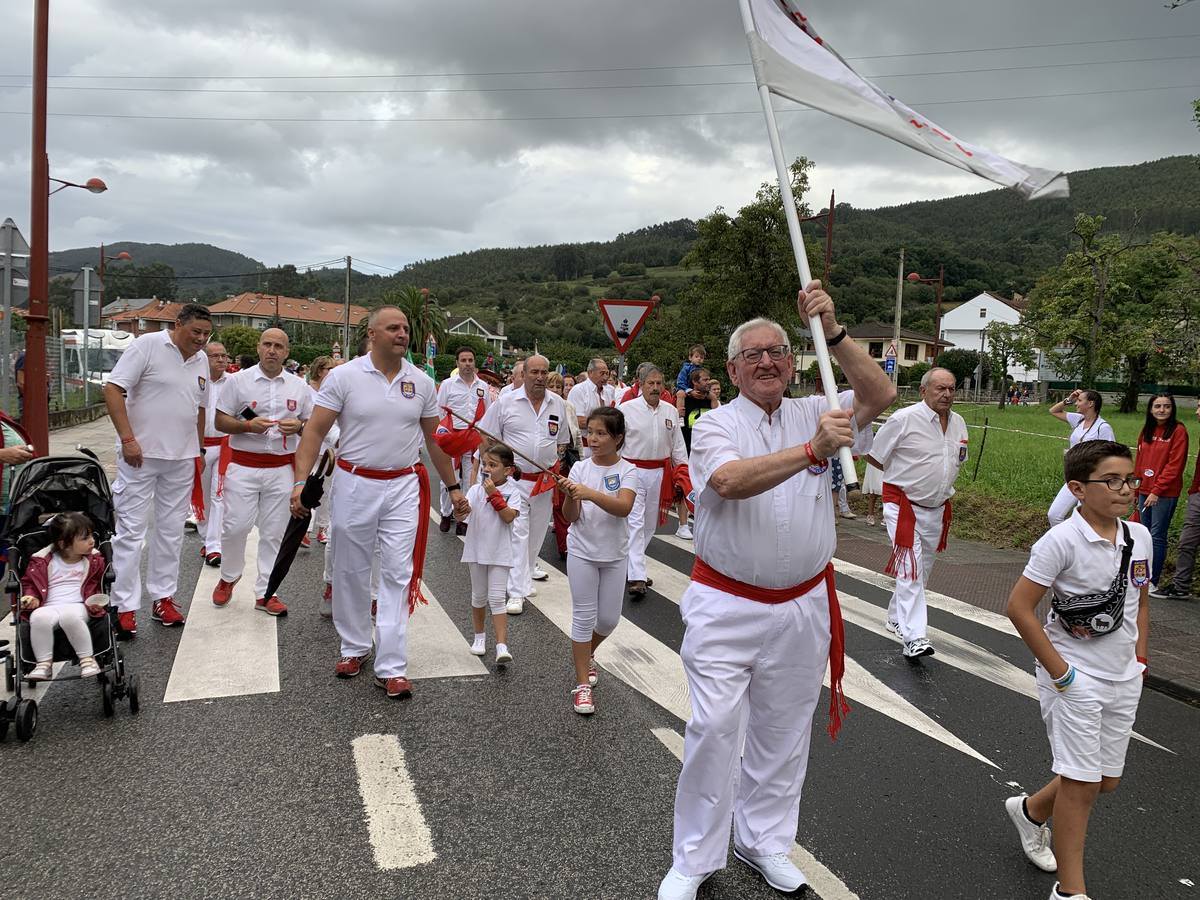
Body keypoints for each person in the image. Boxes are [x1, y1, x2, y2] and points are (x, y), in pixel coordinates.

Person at [657, 284, 894, 900]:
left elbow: (881, 393)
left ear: (794, 361)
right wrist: (813, 450)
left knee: (784, 731)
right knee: (713, 727)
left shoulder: (818, 409)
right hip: (726, 603)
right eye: (753, 355)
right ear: (731, 370)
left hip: (803, 604)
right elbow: (730, 482)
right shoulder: (713, 424)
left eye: (778, 352)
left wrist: (834, 330)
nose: (767, 363)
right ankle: (695, 857)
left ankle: (763, 841)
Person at [289, 306, 467, 699]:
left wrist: (454, 488)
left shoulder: (421, 382)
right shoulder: (344, 376)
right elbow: (315, 431)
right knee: (351, 570)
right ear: (372, 334)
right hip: (355, 484)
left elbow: (434, 440)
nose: (402, 333)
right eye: (393, 328)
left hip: (403, 486)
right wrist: (300, 482)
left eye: (405, 328)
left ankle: (392, 665)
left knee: (397, 573)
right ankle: (354, 647)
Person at [1004, 440, 1151, 900]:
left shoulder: (1138, 537)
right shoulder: (1061, 541)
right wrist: (1062, 675)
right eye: (1111, 480)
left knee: (1104, 781)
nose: (1124, 488)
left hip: (1124, 675)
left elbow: (1140, 601)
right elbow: (1020, 607)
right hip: (1075, 678)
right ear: (1078, 489)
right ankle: (1071, 892)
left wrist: (1140, 658)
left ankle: (1029, 812)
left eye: (1129, 478)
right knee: (1082, 784)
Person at [104, 303, 212, 635]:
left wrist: (199, 447)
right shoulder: (146, 345)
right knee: (132, 532)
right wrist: (127, 439)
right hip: (141, 455)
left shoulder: (201, 359)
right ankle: (124, 605)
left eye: (207, 334)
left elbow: (199, 407)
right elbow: (112, 389)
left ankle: (163, 597)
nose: (201, 339)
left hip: (181, 458)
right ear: (177, 324)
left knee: (170, 532)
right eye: (196, 332)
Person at [211, 328, 312, 617]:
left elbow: (313, 424)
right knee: (235, 526)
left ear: (287, 352)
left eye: (278, 346)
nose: (272, 350)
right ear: (258, 348)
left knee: (274, 533)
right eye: (267, 344)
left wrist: (301, 427)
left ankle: (267, 592)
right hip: (243, 464)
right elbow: (220, 420)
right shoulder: (238, 382)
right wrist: (246, 426)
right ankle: (229, 576)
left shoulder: (299, 387)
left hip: (281, 468)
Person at [867, 368, 968, 658]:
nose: (947, 394)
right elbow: (876, 456)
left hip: (936, 508)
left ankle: (895, 617)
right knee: (910, 567)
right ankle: (915, 637)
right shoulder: (904, 419)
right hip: (903, 505)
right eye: (940, 389)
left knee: (921, 570)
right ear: (923, 391)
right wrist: (903, 479)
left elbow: (956, 460)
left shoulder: (959, 423)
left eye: (951, 389)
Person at [558, 407, 636, 715]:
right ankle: (582, 687)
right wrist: (569, 495)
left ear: (617, 439)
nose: (593, 438)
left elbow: (623, 508)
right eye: (590, 432)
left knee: (608, 620)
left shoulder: (629, 470)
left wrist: (589, 493)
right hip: (582, 552)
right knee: (584, 616)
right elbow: (570, 517)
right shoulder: (579, 469)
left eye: (601, 433)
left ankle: (586, 654)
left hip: (615, 553)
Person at [479, 354, 570, 613]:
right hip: (515, 482)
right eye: (534, 372)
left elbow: (561, 441)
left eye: (544, 372)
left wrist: (556, 466)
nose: (540, 377)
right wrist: (494, 469)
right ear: (525, 373)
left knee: (536, 535)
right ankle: (515, 592)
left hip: (543, 481)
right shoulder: (506, 402)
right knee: (518, 534)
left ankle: (525, 575)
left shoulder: (558, 404)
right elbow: (485, 436)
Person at [618, 364, 686, 599]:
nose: (655, 388)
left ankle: (631, 566)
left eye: (659, 384)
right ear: (641, 385)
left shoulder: (669, 411)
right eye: (650, 384)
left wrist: (683, 472)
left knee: (649, 524)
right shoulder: (626, 409)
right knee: (635, 522)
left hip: (659, 472)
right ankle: (637, 576)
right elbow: (617, 443)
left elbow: (678, 446)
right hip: (632, 471)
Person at [19, 512, 107, 680]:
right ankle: (43, 664)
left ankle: (87, 659)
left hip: (79, 603)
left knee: (70, 617)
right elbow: (29, 583)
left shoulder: (93, 560)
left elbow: (100, 583)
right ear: (63, 544)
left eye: (91, 535)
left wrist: (97, 600)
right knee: (38, 617)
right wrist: (32, 597)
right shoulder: (42, 561)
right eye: (84, 538)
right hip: (49, 604)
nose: (92, 541)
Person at [460, 443, 523, 666]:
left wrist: (494, 495)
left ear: (508, 470)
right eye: (485, 464)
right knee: (478, 596)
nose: (486, 468)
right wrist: (460, 508)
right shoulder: (475, 490)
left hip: (499, 551)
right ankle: (479, 637)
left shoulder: (513, 492)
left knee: (497, 598)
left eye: (493, 465)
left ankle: (501, 645)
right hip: (476, 550)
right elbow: (463, 518)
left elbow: (508, 517)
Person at [1133, 392, 1188, 590]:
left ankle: (1152, 581)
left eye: (1166, 406)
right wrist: (1135, 489)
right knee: (1142, 534)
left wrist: (1157, 490)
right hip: (1144, 490)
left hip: (1164, 494)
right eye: (1157, 406)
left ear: (1172, 409)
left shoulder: (1178, 431)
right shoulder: (1147, 430)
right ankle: (1139, 578)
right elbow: (1139, 462)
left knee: (1156, 536)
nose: (1162, 410)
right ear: (1150, 409)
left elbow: (1175, 465)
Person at [435, 347, 492, 536]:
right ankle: (445, 513)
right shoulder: (447, 384)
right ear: (457, 363)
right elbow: (440, 412)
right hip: (452, 438)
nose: (467, 364)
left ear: (474, 363)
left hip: (473, 438)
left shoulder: (482, 386)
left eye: (470, 360)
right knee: (449, 481)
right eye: (463, 360)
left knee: (470, 480)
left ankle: (463, 519)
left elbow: (487, 414)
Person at [1152, 401, 1200, 600]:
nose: (1197, 411)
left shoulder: (1179, 431)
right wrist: (1194, 491)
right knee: (1187, 541)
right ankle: (1181, 586)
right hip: (1197, 494)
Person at [1047, 389, 1115, 525]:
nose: (1076, 404)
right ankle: (1064, 543)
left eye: (1079, 400)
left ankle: (1081, 544)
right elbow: (1054, 411)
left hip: (1091, 480)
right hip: (1073, 476)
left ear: (1090, 403)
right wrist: (1069, 399)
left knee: (1081, 519)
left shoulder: (1103, 427)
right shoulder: (1078, 420)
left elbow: (1111, 455)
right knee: (1054, 515)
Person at [306, 356, 341, 616]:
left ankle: (373, 595)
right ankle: (330, 584)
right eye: (330, 368)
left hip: (349, 461)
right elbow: (318, 426)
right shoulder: (314, 391)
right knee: (314, 493)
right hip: (327, 452)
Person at [197, 342, 230, 568]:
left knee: (219, 496)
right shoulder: (196, 381)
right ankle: (206, 538)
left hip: (225, 446)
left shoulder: (234, 383)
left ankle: (215, 546)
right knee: (202, 496)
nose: (220, 360)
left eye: (223, 356)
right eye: (215, 356)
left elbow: (244, 409)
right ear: (204, 358)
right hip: (199, 447)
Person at [547, 371, 582, 560]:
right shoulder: (541, 407)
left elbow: (576, 436)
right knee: (549, 506)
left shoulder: (568, 406)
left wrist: (581, 461)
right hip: (545, 465)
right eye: (551, 386)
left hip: (565, 463)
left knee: (562, 504)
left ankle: (565, 545)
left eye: (558, 387)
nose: (555, 390)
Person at [567, 357, 616, 456]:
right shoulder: (579, 390)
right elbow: (578, 421)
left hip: (606, 445)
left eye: (607, 373)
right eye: (602, 373)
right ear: (590, 373)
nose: (606, 377)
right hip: (585, 447)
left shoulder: (610, 390)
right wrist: (607, 423)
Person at [676, 366, 720, 454]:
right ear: (695, 382)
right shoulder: (684, 399)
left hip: (708, 450)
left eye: (708, 379)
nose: (708, 383)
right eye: (705, 380)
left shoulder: (711, 399)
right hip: (687, 450)